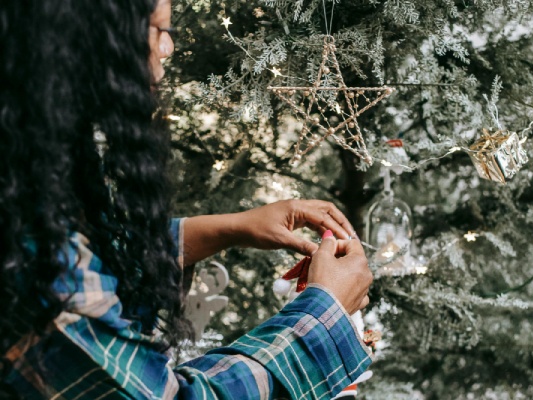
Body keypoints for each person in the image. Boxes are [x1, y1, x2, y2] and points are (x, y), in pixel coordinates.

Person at [0, 0, 373, 398]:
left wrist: (231, 228)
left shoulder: (24, 170)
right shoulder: (41, 269)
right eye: (157, 29)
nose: (168, 49)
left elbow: (93, 251)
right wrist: (322, 316)